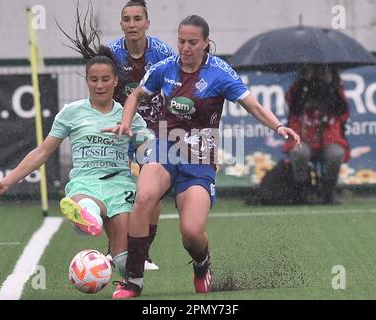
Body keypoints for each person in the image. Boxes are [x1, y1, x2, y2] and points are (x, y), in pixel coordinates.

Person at [102, 15, 300, 299]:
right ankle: (133, 280)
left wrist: (278, 125)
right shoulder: (164, 68)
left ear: (206, 43)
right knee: (144, 198)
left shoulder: (220, 73)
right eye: (181, 40)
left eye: (193, 42)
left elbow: (253, 106)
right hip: (164, 148)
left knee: (192, 233)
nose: (185, 47)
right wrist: (125, 121)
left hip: (199, 159)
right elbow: (135, 96)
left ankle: (201, 263)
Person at [0, 16, 154, 298]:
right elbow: (43, 151)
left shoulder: (127, 115)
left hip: (120, 186)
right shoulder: (72, 112)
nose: (99, 85)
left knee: (123, 262)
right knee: (87, 205)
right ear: (86, 80)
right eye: (93, 80)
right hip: (86, 184)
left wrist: (159, 164)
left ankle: (125, 277)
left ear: (115, 81)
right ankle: (86, 218)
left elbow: (151, 152)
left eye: (105, 80)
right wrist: (8, 180)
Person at [108, 0, 175, 271]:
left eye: (138, 19)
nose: (132, 24)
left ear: (148, 23)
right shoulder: (111, 54)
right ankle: (115, 248)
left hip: (155, 127)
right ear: (121, 24)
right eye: (127, 19)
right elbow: (100, 87)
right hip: (119, 125)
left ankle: (143, 250)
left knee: (152, 192)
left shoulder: (163, 53)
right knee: (115, 189)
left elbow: (176, 89)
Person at [283, 64, 350, 204]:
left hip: (329, 139)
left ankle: (328, 190)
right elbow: (293, 105)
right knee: (299, 152)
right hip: (304, 138)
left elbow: (342, 111)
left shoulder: (334, 89)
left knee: (335, 153)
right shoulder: (299, 89)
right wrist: (304, 81)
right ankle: (302, 190)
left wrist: (330, 84)